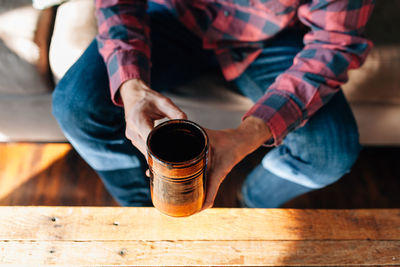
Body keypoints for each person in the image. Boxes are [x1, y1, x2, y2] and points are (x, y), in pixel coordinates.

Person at [52, 0, 375, 209]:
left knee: (331, 153)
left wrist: (252, 132)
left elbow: (334, 44)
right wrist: (131, 85)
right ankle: (142, 206)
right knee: (75, 106)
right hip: (171, 17)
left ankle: (250, 204)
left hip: (270, 38)